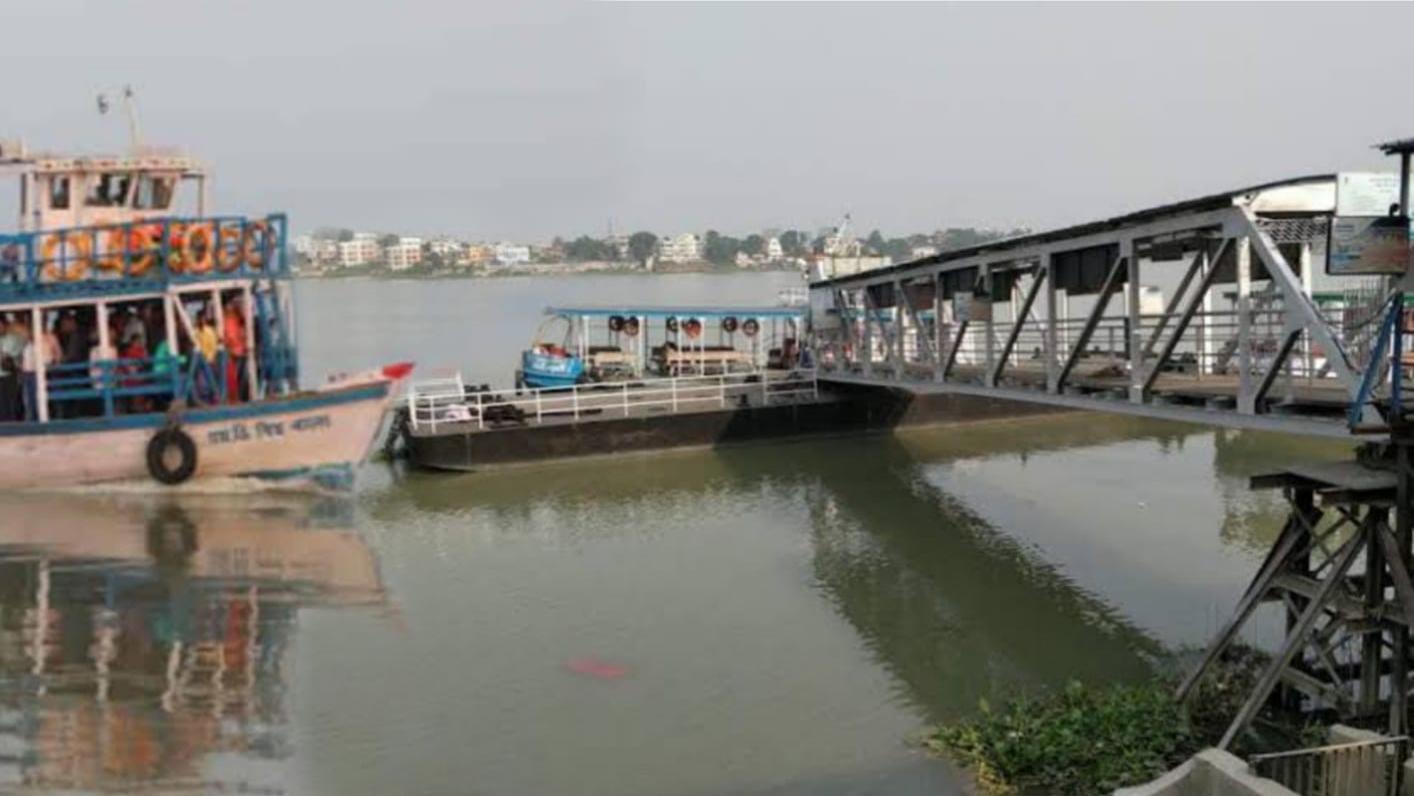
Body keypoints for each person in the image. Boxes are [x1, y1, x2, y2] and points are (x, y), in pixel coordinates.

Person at [222, 295, 249, 402]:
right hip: (233, 352)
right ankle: (236, 398)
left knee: (241, 377)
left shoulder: (236, 317)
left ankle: (240, 398)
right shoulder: (227, 318)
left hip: (240, 351)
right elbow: (228, 336)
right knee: (234, 378)